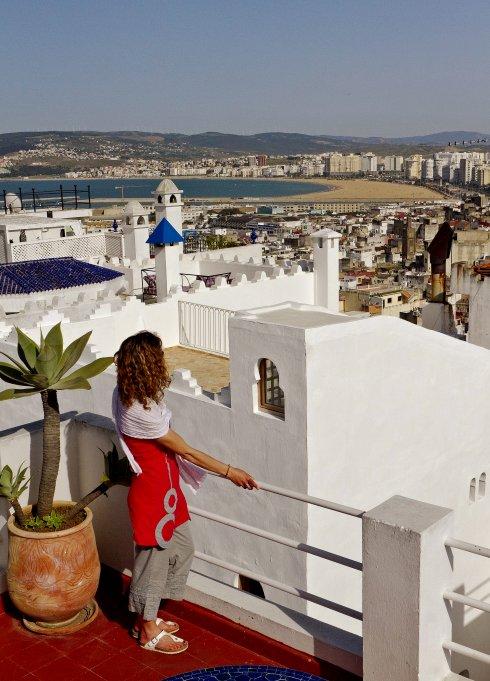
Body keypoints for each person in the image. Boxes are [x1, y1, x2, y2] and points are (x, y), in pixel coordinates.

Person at [113, 331, 257, 655]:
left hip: (168, 492)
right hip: (151, 496)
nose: (164, 361)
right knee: (152, 563)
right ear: (148, 365)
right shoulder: (141, 413)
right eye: (159, 356)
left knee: (182, 548)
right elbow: (188, 452)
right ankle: (146, 628)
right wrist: (230, 472)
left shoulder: (129, 395)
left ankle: (147, 614)